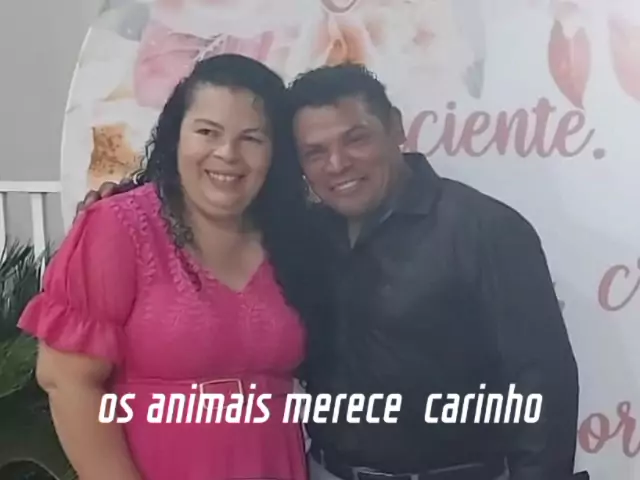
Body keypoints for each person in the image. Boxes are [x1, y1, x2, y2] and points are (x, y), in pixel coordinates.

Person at [79, 62, 581, 480]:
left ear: (395, 128)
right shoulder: (299, 235)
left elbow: (543, 388)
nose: (337, 164)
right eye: (314, 153)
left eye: (356, 139)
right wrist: (124, 203)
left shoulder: (486, 230)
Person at [18, 54, 327, 480]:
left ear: (275, 153)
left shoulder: (290, 236)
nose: (228, 153)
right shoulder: (118, 227)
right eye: (207, 132)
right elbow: (67, 380)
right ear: (176, 135)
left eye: (252, 138)